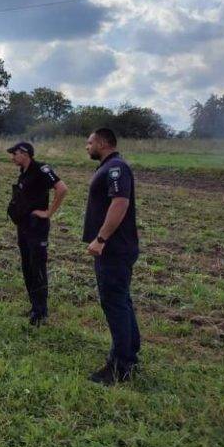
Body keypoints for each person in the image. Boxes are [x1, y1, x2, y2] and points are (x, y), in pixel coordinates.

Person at [83, 128, 141, 385]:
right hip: (115, 249)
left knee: (114, 303)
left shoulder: (116, 168)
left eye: (90, 142)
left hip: (113, 249)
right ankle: (129, 355)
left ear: (104, 143)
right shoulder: (110, 167)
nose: (87, 146)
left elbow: (120, 203)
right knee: (121, 301)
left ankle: (119, 367)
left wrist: (101, 239)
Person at [7, 141, 68, 326]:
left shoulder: (41, 169)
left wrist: (49, 212)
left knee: (37, 267)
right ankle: (34, 306)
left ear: (25, 153)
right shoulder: (23, 173)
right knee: (27, 266)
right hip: (23, 226)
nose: (12, 157)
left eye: (15, 153)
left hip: (37, 227)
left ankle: (41, 312)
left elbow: (62, 188)